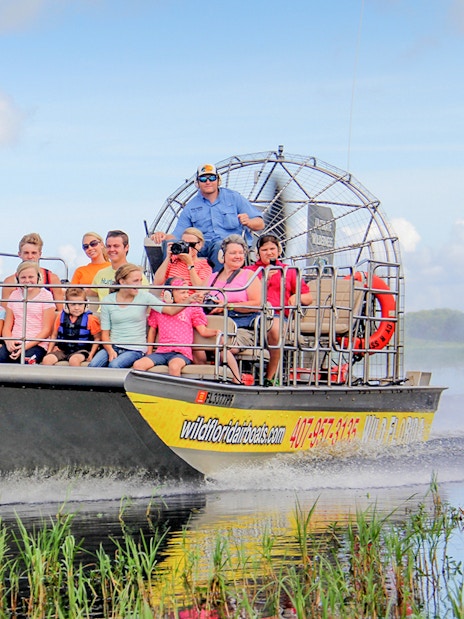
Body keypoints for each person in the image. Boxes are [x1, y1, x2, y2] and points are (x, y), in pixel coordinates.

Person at [151, 163, 264, 270]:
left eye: (212, 178)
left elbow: (260, 224)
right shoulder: (191, 206)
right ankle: (173, 284)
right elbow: (178, 234)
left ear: (218, 180)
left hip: (228, 245)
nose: (208, 182)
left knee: (220, 247)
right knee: (171, 245)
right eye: (203, 179)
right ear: (197, 183)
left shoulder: (234, 198)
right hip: (200, 246)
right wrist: (163, 237)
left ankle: (218, 285)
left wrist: (248, 222)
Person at [88, 264, 193, 369]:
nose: (139, 284)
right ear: (122, 281)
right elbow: (105, 334)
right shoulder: (108, 301)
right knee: (93, 365)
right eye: (135, 281)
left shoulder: (144, 297)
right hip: (113, 346)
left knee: (114, 365)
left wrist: (189, 300)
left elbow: (170, 310)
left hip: (135, 349)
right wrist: (110, 351)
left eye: (140, 280)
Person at [247, 233, 313, 385]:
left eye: (272, 249)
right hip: (252, 312)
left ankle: (270, 377)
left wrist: (297, 297)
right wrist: (265, 279)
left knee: (274, 330)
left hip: (277, 314)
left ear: (278, 250)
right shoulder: (250, 271)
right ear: (258, 253)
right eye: (265, 250)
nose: (269, 253)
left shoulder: (289, 271)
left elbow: (308, 298)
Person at [133, 277, 224, 376]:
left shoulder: (192, 307)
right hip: (162, 352)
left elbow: (203, 331)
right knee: (138, 365)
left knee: (174, 366)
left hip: (181, 353)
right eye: (182, 293)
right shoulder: (160, 308)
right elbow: (152, 330)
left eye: (187, 292)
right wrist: (149, 352)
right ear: (169, 294)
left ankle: (174, 390)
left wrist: (216, 332)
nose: (186, 296)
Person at [203, 234, 263, 383]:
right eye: (233, 253)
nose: (238, 256)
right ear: (222, 256)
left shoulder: (249, 276)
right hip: (212, 325)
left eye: (240, 253)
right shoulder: (212, 278)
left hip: (240, 327)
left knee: (223, 345)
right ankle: (202, 377)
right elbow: (200, 297)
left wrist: (227, 305)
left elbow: (257, 304)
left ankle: (237, 380)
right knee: (193, 342)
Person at [0, 261, 55, 364]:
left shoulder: (46, 295)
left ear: (38, 277)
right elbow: (7, 327)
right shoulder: (14, 295)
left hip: (36, 344)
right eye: (23, 277)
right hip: (15, 342)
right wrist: (8, 342)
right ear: (18, 279)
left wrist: (25, 346)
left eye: (31, 277)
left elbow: (47, 330)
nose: (27, 280)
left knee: (26, 361)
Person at [1, 233, 64, 310]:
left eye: (33, 253)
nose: (30, 257)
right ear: (19, 254)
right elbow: (4, 313)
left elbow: (60, 311)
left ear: (40, 254)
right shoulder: (9, 282)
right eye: (26, 253)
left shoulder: (52, 279)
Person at [42, 288, 102, 366]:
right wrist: (49, 351)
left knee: (74, 360)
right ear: (66, 305)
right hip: (62, 350)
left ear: (86, 305)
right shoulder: (60, 317)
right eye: (73, 304)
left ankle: (76, 378)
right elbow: (54, 335)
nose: (76, 308)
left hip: (82, 350)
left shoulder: (91, 319)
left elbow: (97, 338)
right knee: (47, 360)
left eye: (80, 304)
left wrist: (91, 354)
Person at [90, 230, 149, 302]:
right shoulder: (100, 274)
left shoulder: (138, 276)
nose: (111, 249)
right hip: (102, 312)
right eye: (108, 246)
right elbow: (89, 294)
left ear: (126, 247)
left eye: (116, 246)